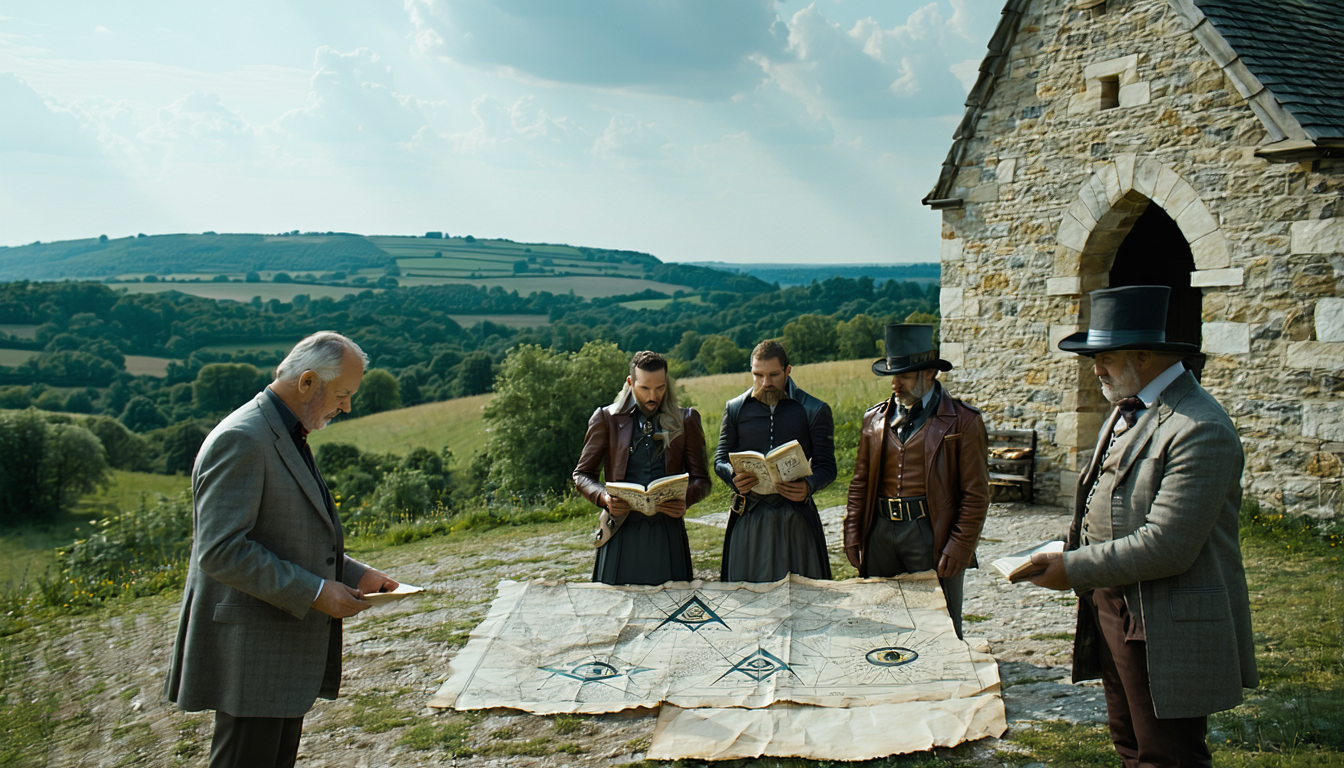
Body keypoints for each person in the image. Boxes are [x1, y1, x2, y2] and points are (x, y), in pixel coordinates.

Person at [1029, 285, 1257, 768]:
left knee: (1168, 754)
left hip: (1165, 619)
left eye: (1104, 357)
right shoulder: (1128, 405)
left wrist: (1071, 567)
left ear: (1143, 355)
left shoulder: (1200, 428)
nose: (1095, 369)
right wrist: (1067, 549)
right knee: (1130, 742)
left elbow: (1168, 545)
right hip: (1114, 602)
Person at [164, 332, 399, 768]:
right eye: (343, 394)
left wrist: (354, 574)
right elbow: (221, 551)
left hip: (276, 650)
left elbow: (284, 535)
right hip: (250, 650)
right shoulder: (243, 438)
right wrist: (314, 592)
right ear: (308, 382)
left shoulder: (285, 431)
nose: (347, 406)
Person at [843, 324, 989, 638]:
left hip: (930, 532)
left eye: (903, 376)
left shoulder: (963, 422)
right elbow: (859, 482)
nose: (894, 384)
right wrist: (854, 532)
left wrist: (959, 547)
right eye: (892, 375)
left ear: (928, 374)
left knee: (937, 627)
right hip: (880, 533)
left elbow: (975, 495)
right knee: (880, 621)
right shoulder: (875, 419)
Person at [573, 351, 712, 585]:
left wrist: (684, 500)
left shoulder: (686, 420)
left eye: (659, 388)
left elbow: (702, 480)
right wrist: (605, 497)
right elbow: (582, 475)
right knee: (617, 612)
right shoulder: (606, 419)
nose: (653, 396)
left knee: (673, 611)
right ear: (630, 383)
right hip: (619, 530)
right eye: (645, 388)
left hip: (668, 532)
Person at [715, 340, 835, 582]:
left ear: (788, 370)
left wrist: (808, 487)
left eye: (773, 375)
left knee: (804, 598)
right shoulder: (735, 409)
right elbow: (720, 460)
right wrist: (733, 478)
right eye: (757, 375)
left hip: (796, 518)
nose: (765, 383)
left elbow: (827, 467)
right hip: (748, 517)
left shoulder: (813, 409)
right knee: (748, 601)